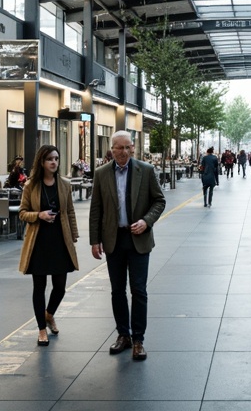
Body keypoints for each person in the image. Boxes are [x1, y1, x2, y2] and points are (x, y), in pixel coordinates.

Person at [89, 131, 166, 361]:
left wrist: (146, 221)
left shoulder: (146, 170)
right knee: (117, 290)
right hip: (114, 239)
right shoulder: (101, 174)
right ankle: (123, 335)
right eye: (118, 148)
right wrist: (95, 240)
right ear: (111, 150)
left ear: (133, 148)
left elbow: (159, 200)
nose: (123, 152)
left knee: (139, 290)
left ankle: (139, 339)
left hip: (139, 239)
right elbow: (96, 209)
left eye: (127, 147)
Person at [18, 145, 79, 347]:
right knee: (39, 287)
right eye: (50, 159)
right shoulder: (31, 186)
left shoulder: (64, 184)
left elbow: (69, 211)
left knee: (60, 287)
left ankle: (49, 314)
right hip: (39, 241)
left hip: (60, 240)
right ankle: (41, 329)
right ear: (42, 162)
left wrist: (74, 235)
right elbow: (22, 213)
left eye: (56, 159)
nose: (54, 162)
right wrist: (39, 215)